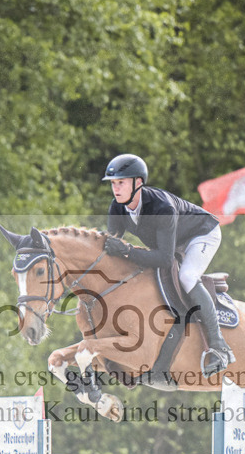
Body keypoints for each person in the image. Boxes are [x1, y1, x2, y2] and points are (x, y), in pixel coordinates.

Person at [101, 153, 235, 376]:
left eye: (121, 182)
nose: (116, 189)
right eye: (113, 183)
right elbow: (111, 245)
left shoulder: (161, 207)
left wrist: (128, 251)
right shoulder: (117, 207)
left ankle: (219, 346)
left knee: (187, 277)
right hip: (172, 241)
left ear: (138, 183)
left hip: (202, 234)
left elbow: (164, 258)